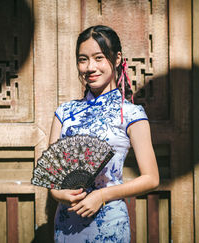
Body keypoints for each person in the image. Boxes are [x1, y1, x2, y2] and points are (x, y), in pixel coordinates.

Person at [49, 25, 159, 242]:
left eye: (99, 58)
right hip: (67, 222)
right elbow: (53, 175)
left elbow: (151, 178)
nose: (90, 67)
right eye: (83, 59)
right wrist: (57, 194)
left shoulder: (130, 113)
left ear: (117, 59)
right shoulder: (65, 112)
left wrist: (101, 195)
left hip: (109, 222)